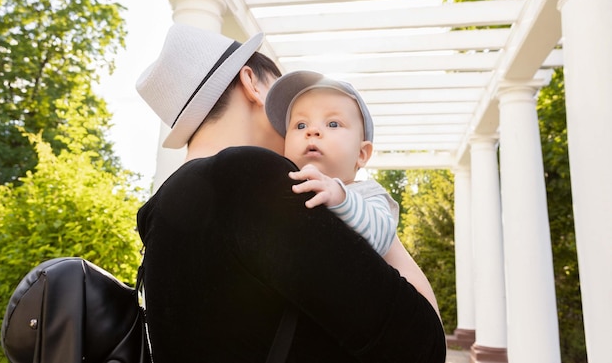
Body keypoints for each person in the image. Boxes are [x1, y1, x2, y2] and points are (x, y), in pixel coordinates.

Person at [135, 23, 446, 362]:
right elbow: (423, 345)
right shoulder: (250, 177)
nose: (305, 129)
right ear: (251, 83)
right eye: (297, 118)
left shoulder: (157, 210)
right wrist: (365, 205)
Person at [265, 71, 398, 258]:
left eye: (333, 124)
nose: (312, 130)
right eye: (301, 125)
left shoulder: (367, 194)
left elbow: (384, 238)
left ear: (361, 154)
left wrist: (340, 197)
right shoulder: (281, 190)